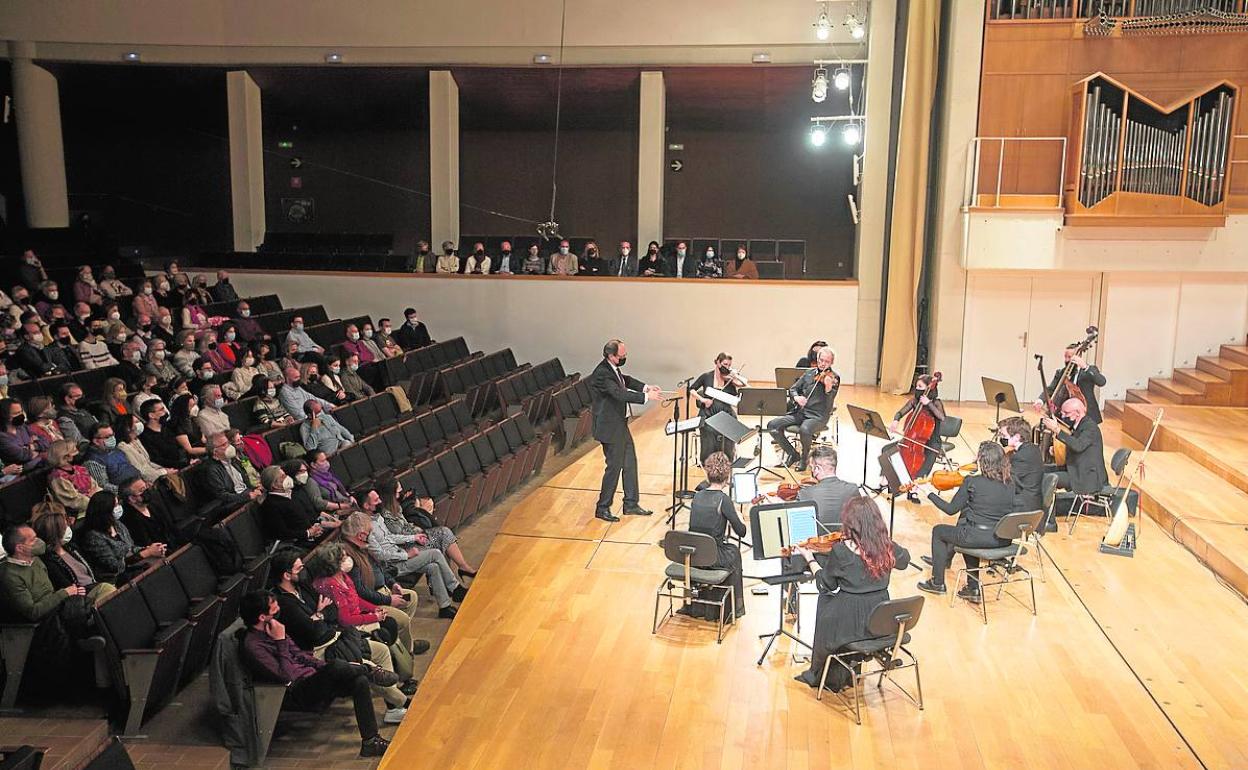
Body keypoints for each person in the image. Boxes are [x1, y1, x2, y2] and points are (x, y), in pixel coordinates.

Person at [237, 590, 393, 758]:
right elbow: (285, 676)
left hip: (312, 679)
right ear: (262, 617)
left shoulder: (273, 627)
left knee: (358, 681)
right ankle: (370, 670)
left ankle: (370, 742)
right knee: (337, 666)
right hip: (296, 690)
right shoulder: (253, 646)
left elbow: (301, 654)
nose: (278, 611)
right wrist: (280, 641)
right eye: (274, 610)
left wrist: (322, 667)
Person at [269, 550, 414, 723]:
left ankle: (393, 706)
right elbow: (312, 632)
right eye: (299, 568)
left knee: (381, 650)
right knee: (367, 661)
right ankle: (401, 702)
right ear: (286, 575)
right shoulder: (285, 603)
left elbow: (331, 612)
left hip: (334, 635)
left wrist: (318, 615)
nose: (304, 571)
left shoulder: (303, 587)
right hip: (320, 649)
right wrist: (320, 615)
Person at [792, 496, 911, 691]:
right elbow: (905, 560)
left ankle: (819, 672)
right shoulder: (887, 547)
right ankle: (850, 667)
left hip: (850, 623)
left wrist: (810, 559)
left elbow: (825, 585)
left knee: (826, 601)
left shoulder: (841, 551)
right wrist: (887, 544)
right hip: (881, 620)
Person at [916, 441, 1015, 602]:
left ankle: (937, 582)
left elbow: (950, 509)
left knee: (939, 531)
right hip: (1001, 539)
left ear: (982, 461)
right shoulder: (1010, 483)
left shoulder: (972, 482)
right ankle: (973, 588)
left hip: (976, 537)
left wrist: (929, 493)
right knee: (966, 524)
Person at [357, 488, 467, 618]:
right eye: (376, 500)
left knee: (433, 567)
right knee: (435, 553)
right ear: (366, 505)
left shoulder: (378, 518)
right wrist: (406, 555)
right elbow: (380, 555)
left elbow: (390, 537)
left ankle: (445, 606)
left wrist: (413, 538)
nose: (380, 501)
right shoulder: (365, 526)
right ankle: (455, 588)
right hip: (392, 565)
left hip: (400, 555)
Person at [336, 515, 430, 658]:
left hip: (382, 590)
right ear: (361, 535)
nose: (372, 535)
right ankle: (405, 652)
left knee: (412, 598)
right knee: (402, 619)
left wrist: (393, 583)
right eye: (370, 532)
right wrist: (388, 600)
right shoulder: (348, 557)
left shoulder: (362, 547)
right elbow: (360, 592)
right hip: (370, 600)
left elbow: (380, 569)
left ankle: (404, 641)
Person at [589, 339, 661, 521]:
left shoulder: (612, 368)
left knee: (630, 462)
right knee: (614, 467)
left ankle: (630, 503)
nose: (624, 358)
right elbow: (619, 393)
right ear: (611, 356)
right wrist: (646, 397)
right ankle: (602, 507)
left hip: (619, 424)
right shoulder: (602, 374)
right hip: (609, 427)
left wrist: (645, 387)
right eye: (622, 356)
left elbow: (625, 381)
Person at [684, 452, 747, 619]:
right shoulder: (723, 500)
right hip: (713, 556)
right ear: (727, 477)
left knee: (725, 550)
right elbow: (741, 532)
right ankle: (728, 611)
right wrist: (739, 517)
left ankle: (699, 607)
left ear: (707, 473)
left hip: (695, 553)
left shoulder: (697, 496)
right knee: (734, 553)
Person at [375, 477, 477, 579]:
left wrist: (417, 530)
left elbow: (406, 525)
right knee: (442, 538)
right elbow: (399, 535)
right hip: (405, 548)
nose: (400, 495)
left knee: (444, 533)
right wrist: (416, 534)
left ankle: (459, 571)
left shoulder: (395, 507)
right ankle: (453, 579)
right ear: (390, 495)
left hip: (413, 538)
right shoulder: (385, 515)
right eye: (397, 492)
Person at [768, 348, 838, 471]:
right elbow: (793, 388)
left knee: (805, 430)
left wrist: (828, 388)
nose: (823, 364)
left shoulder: (833, 378)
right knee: (773, 425)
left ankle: (804, 459)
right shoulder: (809, 373)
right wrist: (797, 397)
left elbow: (830, 400)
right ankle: (793, 454)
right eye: (821, 360)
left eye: (827, 362)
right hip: (801, 412)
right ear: (817, 359)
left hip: (818, 416)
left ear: (831, 363)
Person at [76, 490, 166, 584]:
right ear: (106, 510)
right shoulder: (93, 537)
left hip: (133, 564)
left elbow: (131, 547)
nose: (118, 507)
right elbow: (114, 566)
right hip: (116, 577)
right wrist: (146, 553)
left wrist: (148, 549)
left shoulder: (117, 524)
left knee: (161, 559)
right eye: (115, 505)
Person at [1041, 398, 1109, 516]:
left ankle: (1048, 518)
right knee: (1042, 469)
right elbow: (1078, 448)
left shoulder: (1090, 428)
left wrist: (1057, 430)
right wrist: (1056, 451)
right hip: (1075, 469)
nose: (1062, 416)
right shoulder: (1080, 425)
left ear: (1077, 413)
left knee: (1048, 478)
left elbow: (1078, 446)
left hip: (1085, 476)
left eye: (1066, 413)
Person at [33, 512, 117, 603]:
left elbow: (91, 569)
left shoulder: (71, 548)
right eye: (65, 527)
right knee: (107, 589)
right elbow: (66, 586)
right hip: (82, 597)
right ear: (55, 533)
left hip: (95, 585)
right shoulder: (49, 561)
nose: (69, 528)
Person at [890, 373, 945, 488]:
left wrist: (929, 404)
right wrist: (896, 420)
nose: (917, 389)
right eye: (916, 387)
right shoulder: (915, 401)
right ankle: (887, 480)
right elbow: (900, 412)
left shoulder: (936, 403)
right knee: (890, 451)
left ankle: (914, 488)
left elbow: (942, 417)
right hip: (914, 440)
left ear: (928, 389)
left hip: (932, 443)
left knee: (923, 469)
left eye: (920, 387)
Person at [690, 353, 748, 462]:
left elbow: (743, 383)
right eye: (725, 364)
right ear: (717, 362)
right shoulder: (706, 376)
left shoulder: (729, 379)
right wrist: (702, 399)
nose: (727, 367)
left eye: (729, 365)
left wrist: (735, 375)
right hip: (708, 412)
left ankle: (727, 459)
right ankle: (708, 460)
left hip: (725, 413)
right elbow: (692, 389)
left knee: (730, 429)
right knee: (709, 430)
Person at [1034, 345, 1107, 424]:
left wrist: (1085, 367)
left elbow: (1102, 382)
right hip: (1067, 415)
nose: (1066, 360)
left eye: (1069, 357)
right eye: (1065, 357)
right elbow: (1051, 389)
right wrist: (1040, 400)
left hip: (1087, 414)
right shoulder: (1062, 372)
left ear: (1078, 357)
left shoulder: (1089, 370)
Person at [257, 465, 323, 545]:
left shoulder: (292, 493)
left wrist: (316, 527)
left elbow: (305, 517)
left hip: (311, 534)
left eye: (285, 475)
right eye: (283, 477)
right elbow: (282, 533)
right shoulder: (271, 505)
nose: (287, 477)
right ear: (274, 485)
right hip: (297, 543)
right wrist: (308, 533)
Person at [119, 477, 187, 549]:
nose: (147, 491)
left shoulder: (153, 505)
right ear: (132, 499)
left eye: (146, 487)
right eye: (142, 490)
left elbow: (170, 527)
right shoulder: (130, 520)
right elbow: (146, 544)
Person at [999, 416, 1045, 518]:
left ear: (1017, 437)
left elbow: (1010, 482)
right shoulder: (1031, 448)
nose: (1002, 438)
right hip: (1027, 497)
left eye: (1004, 435)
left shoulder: (1022, 456)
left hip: (1024, 505)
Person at [47, 440, 103, 516]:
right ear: (65, 456)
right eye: (74, 450)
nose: (78, 452)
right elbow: (73, 500)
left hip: (95, 504)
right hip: (78, 513)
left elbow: (95, 486)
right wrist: (94, 501)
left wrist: (102, 498)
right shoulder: (58, 478)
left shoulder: (79, 469)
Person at [82, 423, 141, 495]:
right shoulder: (93, 461)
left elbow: (129, 466)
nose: (112, 438)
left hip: (139, 483)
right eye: (108, 437)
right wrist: (126, 491)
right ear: (96, 441)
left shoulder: (115, 449)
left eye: (113, 435)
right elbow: (103, 486)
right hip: (127, 494)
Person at [115, 413, 169, 483]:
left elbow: (148, 462)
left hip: (155, 473)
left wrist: (164, 469)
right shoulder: (122, 447)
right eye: (136, 422)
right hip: (146, 480)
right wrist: (164, 472)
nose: (140, 423)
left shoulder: (136, 440)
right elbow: (140, 470)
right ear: (127, 428)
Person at [138, 399, 189, 469]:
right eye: (161, 410)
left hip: (184, 463)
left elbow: (180, 447)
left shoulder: (168, 426)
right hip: (170, 471)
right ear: (151, 415)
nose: (165, 412)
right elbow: (157, 460)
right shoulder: (145, 437)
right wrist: (182, 464)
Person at [0, 397, 44, 474]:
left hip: (39, 466)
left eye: (21, 412)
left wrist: (31, 447)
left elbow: (45, 441)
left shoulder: (23, 427)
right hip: (25, 474)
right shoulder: (2, 437)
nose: (20, 415)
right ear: (5, 416)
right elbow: (21, 455)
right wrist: (36, 447)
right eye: (16, 413)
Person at [169, 392, 207, 460]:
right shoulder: (178, 426)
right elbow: (190, 450)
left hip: (202, 448)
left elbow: (202, 435)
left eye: (195, 404)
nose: (195, 408)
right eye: (192, 406)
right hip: (192, 457)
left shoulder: (192, 419)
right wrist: (210, 450)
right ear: (184, 408)